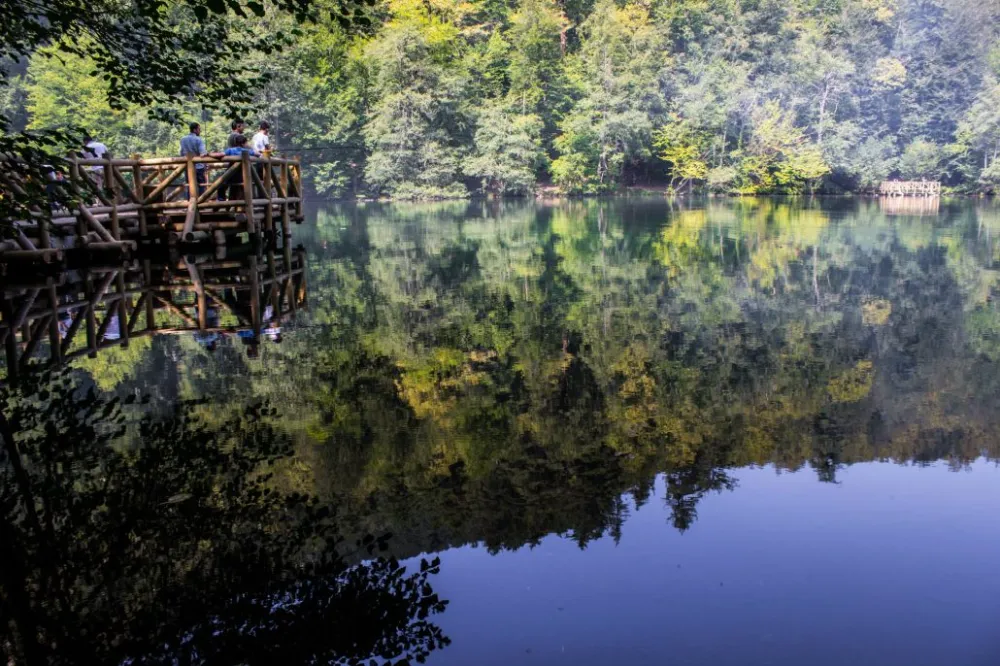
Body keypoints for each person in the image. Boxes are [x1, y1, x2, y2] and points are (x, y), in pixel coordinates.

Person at [221, 134, 259, 200]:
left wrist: (209, 154)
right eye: (246, 142)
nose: (247, 144)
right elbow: (258, 154)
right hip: (244, 177)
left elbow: (220, 154)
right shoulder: (247, 151)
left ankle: (220, 199)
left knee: (220, 183)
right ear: (242, 143)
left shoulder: (230, 150)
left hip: (231, 176)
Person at [180, 122, 210, 196]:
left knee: (189, 185)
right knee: (201, 186)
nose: (200, 131)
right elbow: (202, 153)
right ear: (194, 130)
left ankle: (190, 202)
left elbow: (181, 153)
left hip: (187, 167)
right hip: (198, 166)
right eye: (199, 129)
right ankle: (200, 203)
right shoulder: (198, 139)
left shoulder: (183, 139)